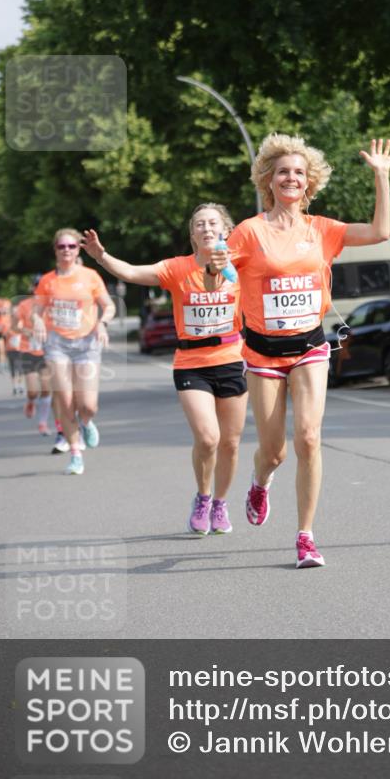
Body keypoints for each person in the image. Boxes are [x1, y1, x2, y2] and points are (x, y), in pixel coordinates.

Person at [210, 134, 390, 568]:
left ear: (308, 183)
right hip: (262, 352)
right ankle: (260, 481)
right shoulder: (249, 231)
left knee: (309, 439)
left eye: (298, 172)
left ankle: (305, 537)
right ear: (269, 181)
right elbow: (215, 277)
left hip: (310, 346)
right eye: (282, 172)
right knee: (274, 450)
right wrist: (216, 267)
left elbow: (380, 231)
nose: (290, 178)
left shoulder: (322, 230)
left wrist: (381, 178)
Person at [82, 203, 247, 536]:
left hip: (231, 358)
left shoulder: (241, 266)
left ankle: (221, 503)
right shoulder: (177, 268)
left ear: (226, 230)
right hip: (191, 363)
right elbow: (130, 272)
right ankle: (203, 496)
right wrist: (101, 256)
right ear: (192, 235)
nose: (206, 228)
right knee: (208, 437)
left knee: (230, 442)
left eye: (213, 222)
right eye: (199, 224)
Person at [32, 229, 116, 475]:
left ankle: (87, 422)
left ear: (78, 249)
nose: (66, 250)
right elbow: (37, 310)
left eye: (71, 246)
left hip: (86, 345)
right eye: (62, 247)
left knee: (88, 405)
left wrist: (102, 323)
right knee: (66, 401)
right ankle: (75, 454)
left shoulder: (90, 276)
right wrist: (37, 321)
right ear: (55, 250)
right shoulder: (47, 281)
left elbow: (108, 306)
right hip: (57, 345)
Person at [13, 276, 53, 433]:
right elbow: (14, 327)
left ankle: (42, 422)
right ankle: (30, 401)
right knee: (33, 390)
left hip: (46, 351)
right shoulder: (24, 305)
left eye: (41, 286)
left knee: (46, 389)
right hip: (28, 350)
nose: (38, 289)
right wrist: (27, 331)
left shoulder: (51, 305)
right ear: (32, 288)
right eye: (36, 286)